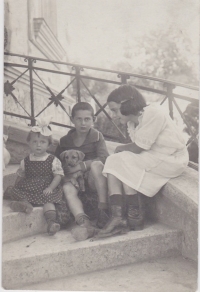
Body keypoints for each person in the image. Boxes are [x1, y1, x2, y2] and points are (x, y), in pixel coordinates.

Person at [96, 84, 189, 238]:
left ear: (125, 103)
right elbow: (140, 147)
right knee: (116, 161)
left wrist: (121, 148)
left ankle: (131, 216)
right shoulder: (133, 123)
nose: (114, 115)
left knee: (120, 159)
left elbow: (139, 147)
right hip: (155, 156)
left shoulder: (153, 112)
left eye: (114, 110)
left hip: (171, 158)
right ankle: (122, 217)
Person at [5, 116, 70, 236]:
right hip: (29, 186)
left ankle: (51, 222)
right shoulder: (26, 160)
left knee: (49, 200)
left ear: (49, 145)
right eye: (34, 142)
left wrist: (50, 188)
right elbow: (21, 175)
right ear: (29, 143)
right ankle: (24, 205)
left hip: (46, 187)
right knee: (16, 191)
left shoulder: (52, 159)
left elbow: (58, 176)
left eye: (42, 142)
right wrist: (16, 186)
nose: (38, 145)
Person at [55, 102, 109, 241]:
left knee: (97, 165)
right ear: (72, 119)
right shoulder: (65, 141)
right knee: (67, 188)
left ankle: (103, 209)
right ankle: (82, 219)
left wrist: (82, 166)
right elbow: (56, 161)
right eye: (79, 119)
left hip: (92, 176)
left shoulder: (97, 136)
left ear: (93, 120)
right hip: (73, 178)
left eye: (87, 119)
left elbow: (104, 157)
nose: (83, 123)